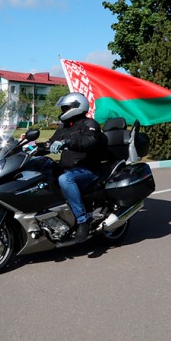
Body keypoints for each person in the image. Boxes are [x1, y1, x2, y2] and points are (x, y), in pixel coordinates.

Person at [46, 92, 103, 243]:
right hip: (68, 168)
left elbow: (89, 141)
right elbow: (50, 142)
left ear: (77, 107)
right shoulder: (65, 127)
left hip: (88, 171)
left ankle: (82, 221)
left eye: (65, 108)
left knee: (65, 179)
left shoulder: (90, 124)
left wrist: (68, 142)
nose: (63, 111)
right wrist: (29, 145)